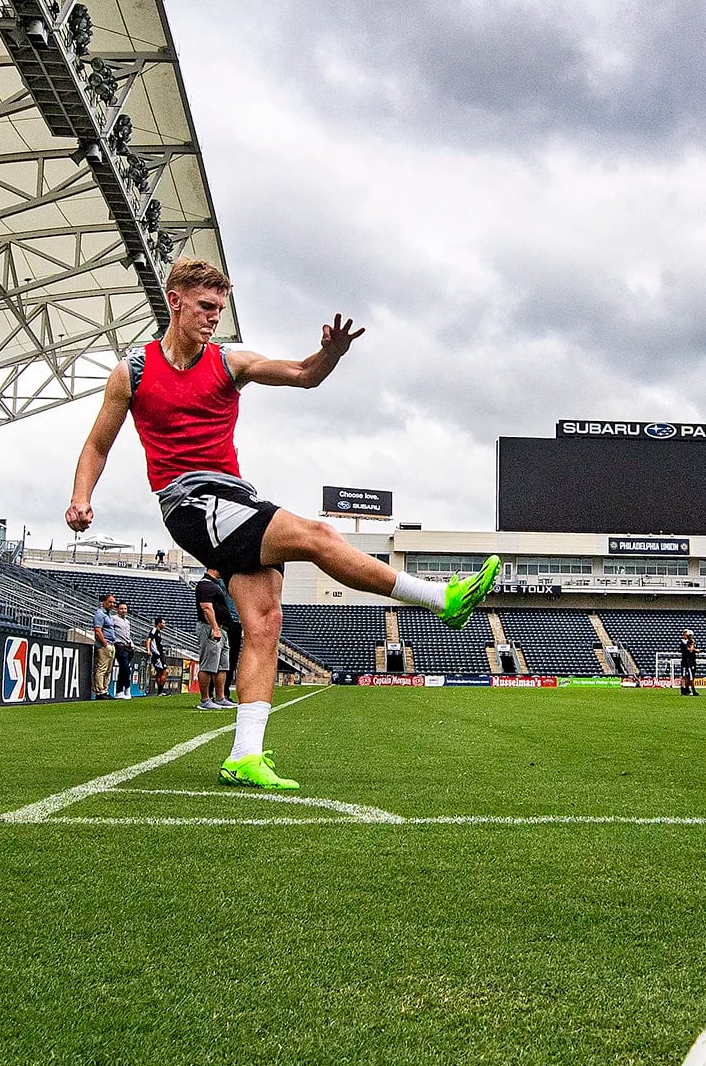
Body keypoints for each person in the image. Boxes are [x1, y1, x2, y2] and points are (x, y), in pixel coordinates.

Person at [65, 258, 499, 790]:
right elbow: (97, 443)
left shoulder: (230, 363)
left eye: (219, 309)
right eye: (205, 307)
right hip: (187, 503)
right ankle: (439, 599)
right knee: (317, 535)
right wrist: (81, 497)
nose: (213, 318)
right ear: (174, 301)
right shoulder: (132, 373)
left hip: (234, 498)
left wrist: (331, 355)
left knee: (265, 622)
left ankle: (245, 754)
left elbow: (301, 374)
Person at [194, 567, 235, 710]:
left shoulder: (214, 584)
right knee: (208, 665)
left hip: (222, 629)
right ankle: (205, 700)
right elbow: (206, 608)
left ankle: (220, 697)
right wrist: (215, 628)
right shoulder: (205, 584)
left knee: (222, 666)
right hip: (211, 628)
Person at [91, 593, 120, 699]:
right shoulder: (100, 614)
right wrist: (105, 643)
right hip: (104, 645)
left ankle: (105, 690)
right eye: (110, 602)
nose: (112, 604)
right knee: (102, 668)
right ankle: (100, 691)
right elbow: (98, 631)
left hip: (111, 644)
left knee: (108, 669)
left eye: (113, 602)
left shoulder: (108, 615)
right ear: (104, 602)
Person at [112, 601, 137, 699]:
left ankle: (120, 690)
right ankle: (126, 687)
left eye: (125, 609)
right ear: (117, 609)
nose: (123, 611)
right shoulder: (113, 619)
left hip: (128, 646)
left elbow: (128, 634)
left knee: (124, 670)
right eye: (121, 609)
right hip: (119, 645)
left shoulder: (127, 621)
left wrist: (132, 644)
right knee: (125, 668)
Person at [678, 628, 699, 697]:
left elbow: (695, 650)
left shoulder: (688, 641)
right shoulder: (684, 642)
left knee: (688, 676)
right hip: (686, 661)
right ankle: (684, 689)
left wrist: (694, 648)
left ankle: (687, 689)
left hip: (690, 661)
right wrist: (693, 646)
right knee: (686, 676)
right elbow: (689, 650)